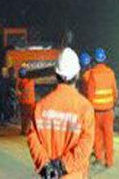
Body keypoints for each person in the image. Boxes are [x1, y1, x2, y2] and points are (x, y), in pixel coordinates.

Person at [27, 48, 94, 179]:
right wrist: (62, 166)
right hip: (73, 174)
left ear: (56, 74)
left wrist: (45, 164)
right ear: (77, 74)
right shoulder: (85, 108)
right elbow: (85, 146)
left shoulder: (40, 106)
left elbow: (32, 138)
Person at [86, 48, 117, 169]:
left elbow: (90, 93)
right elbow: (115, 92)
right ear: (104, 59)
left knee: (97, 136)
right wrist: (112, 103)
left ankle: (99, 158)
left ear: (95, 60)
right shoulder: (110, 72)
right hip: (108, 111)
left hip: (96, 111)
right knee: (109, 137)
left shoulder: (92, 73)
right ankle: (109, 161)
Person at [18, 66, 36, 135]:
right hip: (30, 102)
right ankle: (28, 130)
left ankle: (23, 130)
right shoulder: (31, 80)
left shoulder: (22, 82)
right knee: (30, 117)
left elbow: (20, 87)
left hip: (23, 102)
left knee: (24, 117)